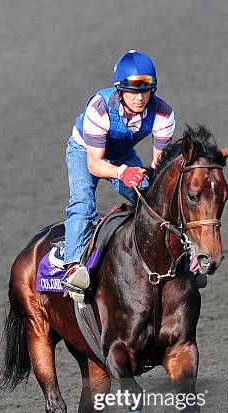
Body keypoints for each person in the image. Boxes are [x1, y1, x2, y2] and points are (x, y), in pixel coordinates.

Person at [62, 50, 175, 300]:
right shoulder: (99, 108)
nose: (140, 98)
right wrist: (123, 173)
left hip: (122, 152)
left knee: (150, 198)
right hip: (86, 152)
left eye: (146, 90)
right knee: (82, 203)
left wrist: (149, 184)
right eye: (133, 91)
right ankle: (72, 268)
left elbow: (159, 166)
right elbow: (95, 164)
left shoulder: (164, 115)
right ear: (119, 90)